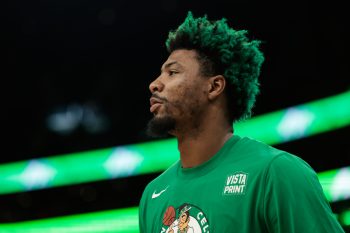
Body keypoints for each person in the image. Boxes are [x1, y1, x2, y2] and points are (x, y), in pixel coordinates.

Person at [139, 11, 345, 233]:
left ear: (214, 86)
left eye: (172, 72)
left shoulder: (275, 172)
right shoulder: (153, 194)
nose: (154, 84)